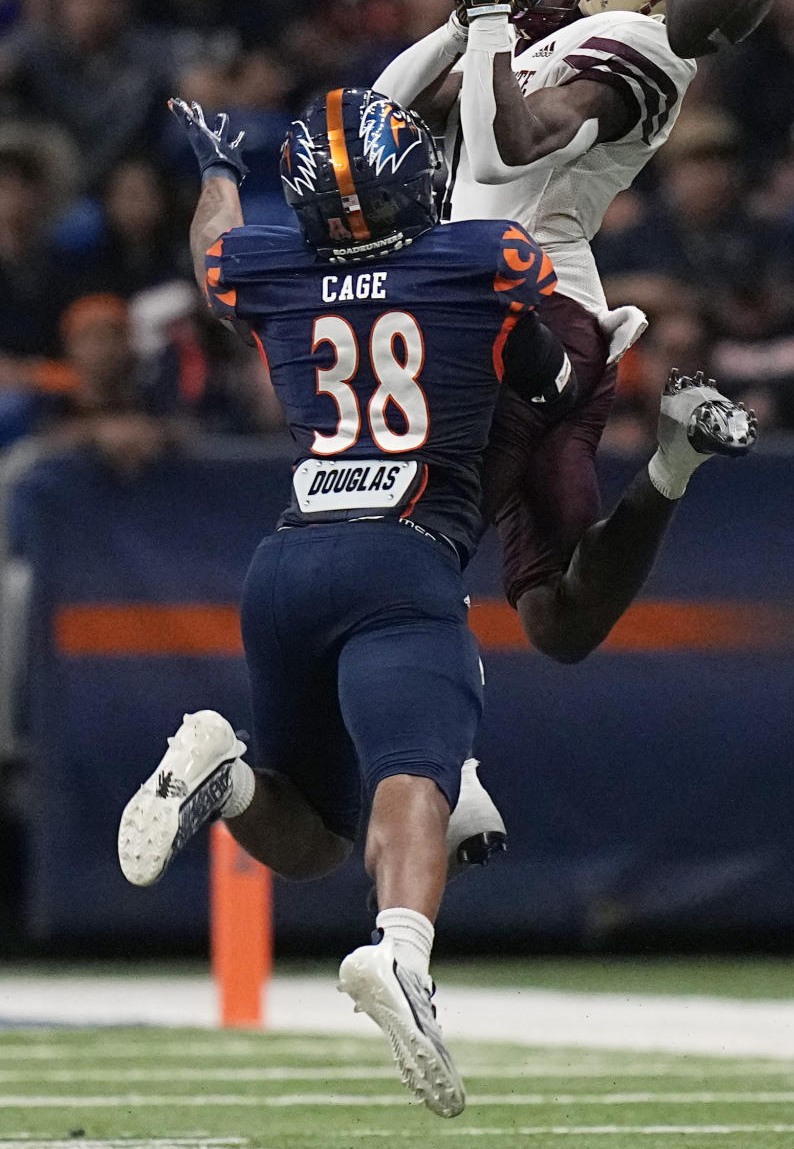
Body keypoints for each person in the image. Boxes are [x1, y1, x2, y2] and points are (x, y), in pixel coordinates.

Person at [117, 86, 578, 1117]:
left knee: (314, 837)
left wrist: (217, 172)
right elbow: (551, 389)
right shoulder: (480, 262)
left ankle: (223, 775)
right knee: (419, 776)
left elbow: (213, 256)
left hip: (285, 565)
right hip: (402, 561)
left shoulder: (270, 271)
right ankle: (403, 953)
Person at [375, 0, 758, 665]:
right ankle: (675, 459)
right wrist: (462, 23)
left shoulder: (638, 39)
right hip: (507, 314)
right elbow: (377, 115)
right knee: (560, 619)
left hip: (527, 316)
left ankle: (417, 760)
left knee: (404, 546)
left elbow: (503, 147)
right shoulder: (507, 46)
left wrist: (484, 23)